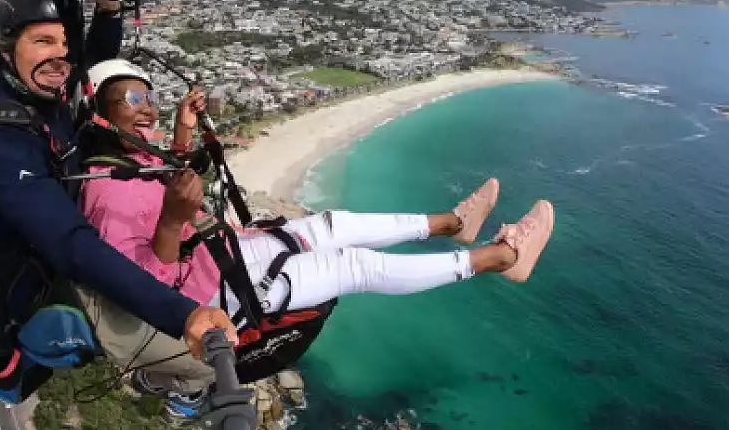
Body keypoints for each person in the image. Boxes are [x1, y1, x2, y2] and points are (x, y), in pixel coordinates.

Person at [79, 60, 557, 409]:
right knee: (355, 265)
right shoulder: (106, 194)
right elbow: (147, 287)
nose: (148, 109)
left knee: (334, 224)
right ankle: (499, 258)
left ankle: (453, 223)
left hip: (225, 255)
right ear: (99, 111)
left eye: (151, 98)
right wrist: (171, 219)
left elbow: (168, 180)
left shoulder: (133, 159)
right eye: (134, 100)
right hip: (213, 297)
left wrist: (182, 134)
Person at [0, 0, 237, 386]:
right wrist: (181, 315)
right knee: (211, 365)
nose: (60, 56)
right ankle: (157, 381)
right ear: (6, 48)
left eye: (66, 42)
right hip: (41, 286)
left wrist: (108, 10)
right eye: (43, 41)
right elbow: (69, 244)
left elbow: (87, 65)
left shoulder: (35, 88)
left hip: (69, 248)